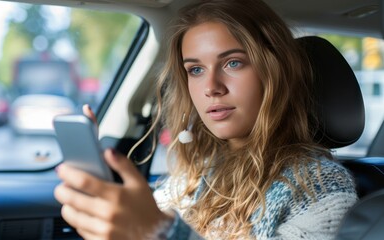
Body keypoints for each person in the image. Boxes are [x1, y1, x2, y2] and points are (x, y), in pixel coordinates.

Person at [54, 0, 358, 239]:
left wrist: (159, 234)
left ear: (274, 73)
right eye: (195, 70)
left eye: (233, 62)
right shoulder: (195, 177)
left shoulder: (323, 188)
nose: (211, 87)